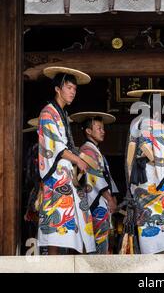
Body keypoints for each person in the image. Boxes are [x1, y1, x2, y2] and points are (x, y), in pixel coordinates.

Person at [37, 66, 95, 255]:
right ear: (57, 88)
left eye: (75, 89)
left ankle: (70, 261)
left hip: (65, 173)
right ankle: (54, 262)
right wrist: (78, 160)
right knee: (57, 223)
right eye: (69, 87)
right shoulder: (48, 113)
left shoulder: (62, 115)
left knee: (72, 221)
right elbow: (56, 146)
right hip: (56, 176)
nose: (72, 92)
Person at [125, 89, 164, 254]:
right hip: (156, 180)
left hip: (140, 182)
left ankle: (149, 259)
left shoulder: (134, 124)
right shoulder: (154, 124)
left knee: (146, 222)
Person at [70, 111, 119, 254]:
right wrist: (110, 198)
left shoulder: (96, 151)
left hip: (101, 201)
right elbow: (95, 178)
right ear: (88, 131)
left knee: (102, 242)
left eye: (103, 129)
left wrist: (113, 195)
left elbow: (107, 176)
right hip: (96, 202)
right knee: (99, 242)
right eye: (99, 128)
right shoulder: (87, 151)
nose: (103, 132)